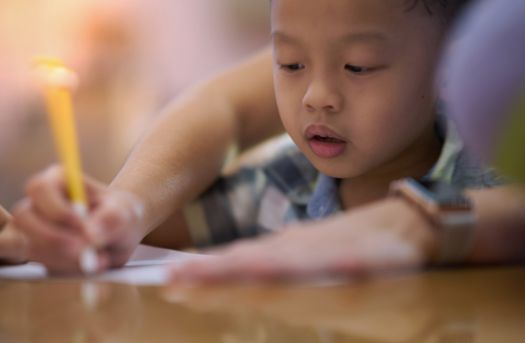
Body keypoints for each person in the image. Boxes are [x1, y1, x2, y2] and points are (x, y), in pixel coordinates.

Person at [13, 0, 504, 275]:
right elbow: (136, 227)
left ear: (450, 66)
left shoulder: (493, 183)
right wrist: (76, 226)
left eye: (358, 66)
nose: (316, 96)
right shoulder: (279, 185)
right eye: (290, 64)